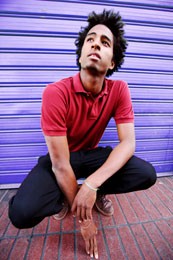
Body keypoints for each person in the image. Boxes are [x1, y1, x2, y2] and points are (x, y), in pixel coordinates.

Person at [9, 10, 156, 259]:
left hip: (89, 156)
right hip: (61, 160)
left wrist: (91, 185)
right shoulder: (55, 93)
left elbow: (128, 143)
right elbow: (60, 164)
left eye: (105, 42)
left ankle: (93, 193)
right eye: (90, 39)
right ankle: (65, 198)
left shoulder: (119, 90)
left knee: (146, 173)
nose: (95, 43)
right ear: (80, 55)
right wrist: (83, 218)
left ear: (112, 63)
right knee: (21, 213)